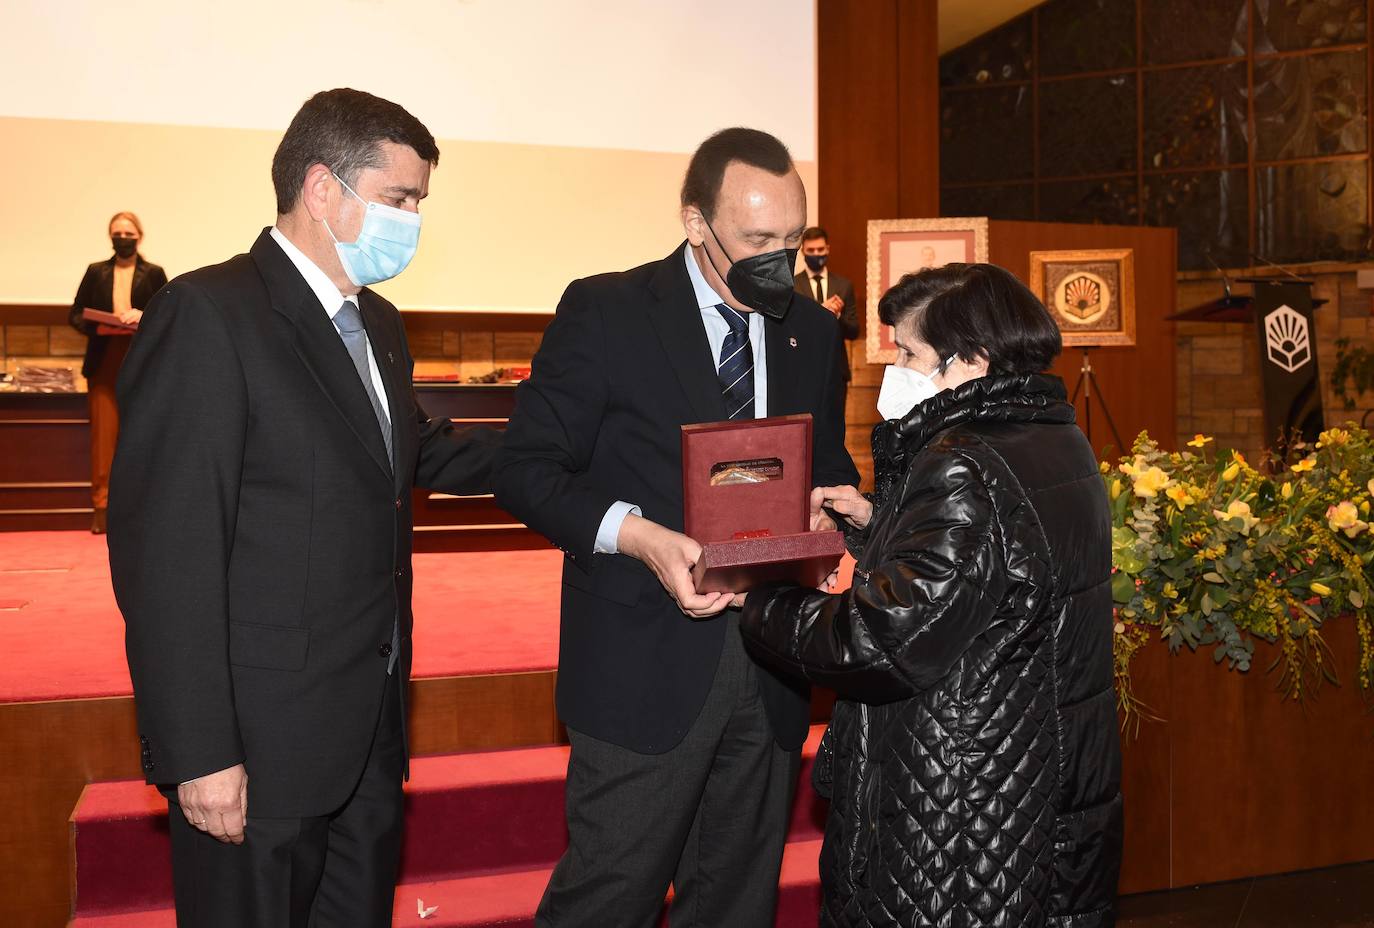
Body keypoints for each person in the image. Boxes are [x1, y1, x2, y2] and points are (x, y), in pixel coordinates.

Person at [107, 88, 498, 928]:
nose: (413, 221)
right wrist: (199, 751)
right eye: (400, 199)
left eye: (420, 202)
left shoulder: (379, 324)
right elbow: (167, 556)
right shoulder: (210, 315)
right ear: (324, 190)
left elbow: (403, 456)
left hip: (367, 733)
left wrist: (589, 452)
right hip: (256, 748)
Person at [495, 127, 858, 927]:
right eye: (758, 241)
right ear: (696, 223)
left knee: (734, 904)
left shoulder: (815, 330)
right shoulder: (608, 311)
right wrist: (642, 537)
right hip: (641, 665)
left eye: (792, 241)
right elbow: (525, 469)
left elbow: (829, 463)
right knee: (607, 899)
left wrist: (830, 511)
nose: (781, 261)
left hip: (770, 663)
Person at [737, 263, 1122, 927]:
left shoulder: (962, 461)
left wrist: (759, 594)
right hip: (1031, 777)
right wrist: (878, 523)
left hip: (958, 807)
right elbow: (993, 577)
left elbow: (879, 641)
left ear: (969, 360)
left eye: (910, 353)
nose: (896, 372)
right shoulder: (1057, 436)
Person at [68, 212, 167, 533]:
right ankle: (102, 508)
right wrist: (98, 324)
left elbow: (168, 316)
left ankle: (144, 507)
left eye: (128, 233)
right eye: (117, 233)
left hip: (142, 361)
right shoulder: (96, 272)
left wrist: (144, 316)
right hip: (104, 360)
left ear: (140, 236)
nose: (122, 238)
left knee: (142, 434)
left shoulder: (154, 274)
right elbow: (75, 314)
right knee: (104, 439)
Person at [795, 226, 857, 397]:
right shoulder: (792, 285)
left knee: (836, 422)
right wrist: (821, 311)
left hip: (836, 368)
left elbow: (853, 330)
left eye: (820, 249)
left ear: (828, 249)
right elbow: (790, 327)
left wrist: (836, 316)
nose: (816, 254)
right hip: (803, 367)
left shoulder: (844, 285)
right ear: (803, 251)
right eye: (811, 250)